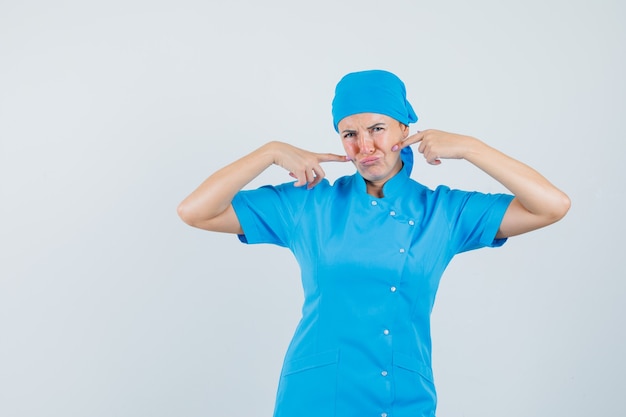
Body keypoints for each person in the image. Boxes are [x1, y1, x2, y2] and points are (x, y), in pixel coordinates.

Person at [177, 69, 570, 417]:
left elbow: (551, 206)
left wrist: (471, 148)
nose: (364, 146)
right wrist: (270, 152)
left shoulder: (444, 212)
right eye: (350, 134)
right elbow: (196, 211)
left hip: (401, 399)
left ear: (406, 129)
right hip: (314, 400)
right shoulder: (309, 203)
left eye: (377, 128)